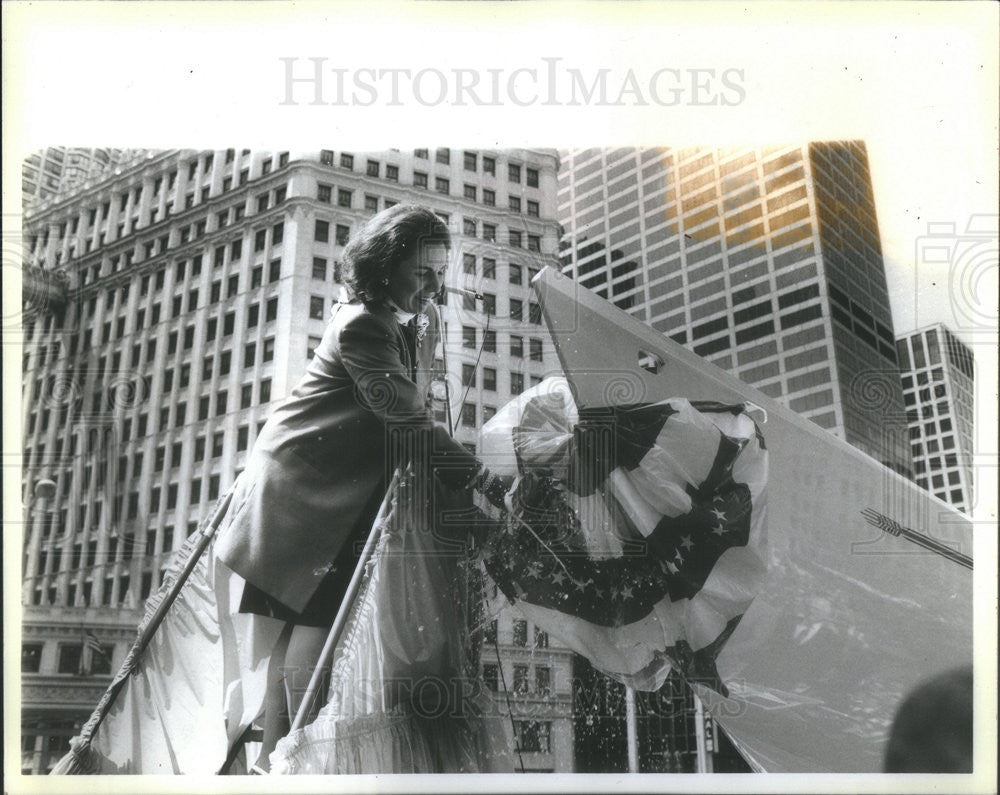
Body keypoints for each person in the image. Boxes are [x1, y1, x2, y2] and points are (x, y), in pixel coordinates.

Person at [213, 204, 506, 770]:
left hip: (330, 498)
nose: (436, 287)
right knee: (311, 635)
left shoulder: (394, 322)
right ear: (386, 265)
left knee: (304, 641)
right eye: (423, 273)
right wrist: (488, 481)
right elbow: (412, 428)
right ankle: (290, 759)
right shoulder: (364, 325)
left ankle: (280, 760)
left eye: (441, 274)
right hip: (303, 499)